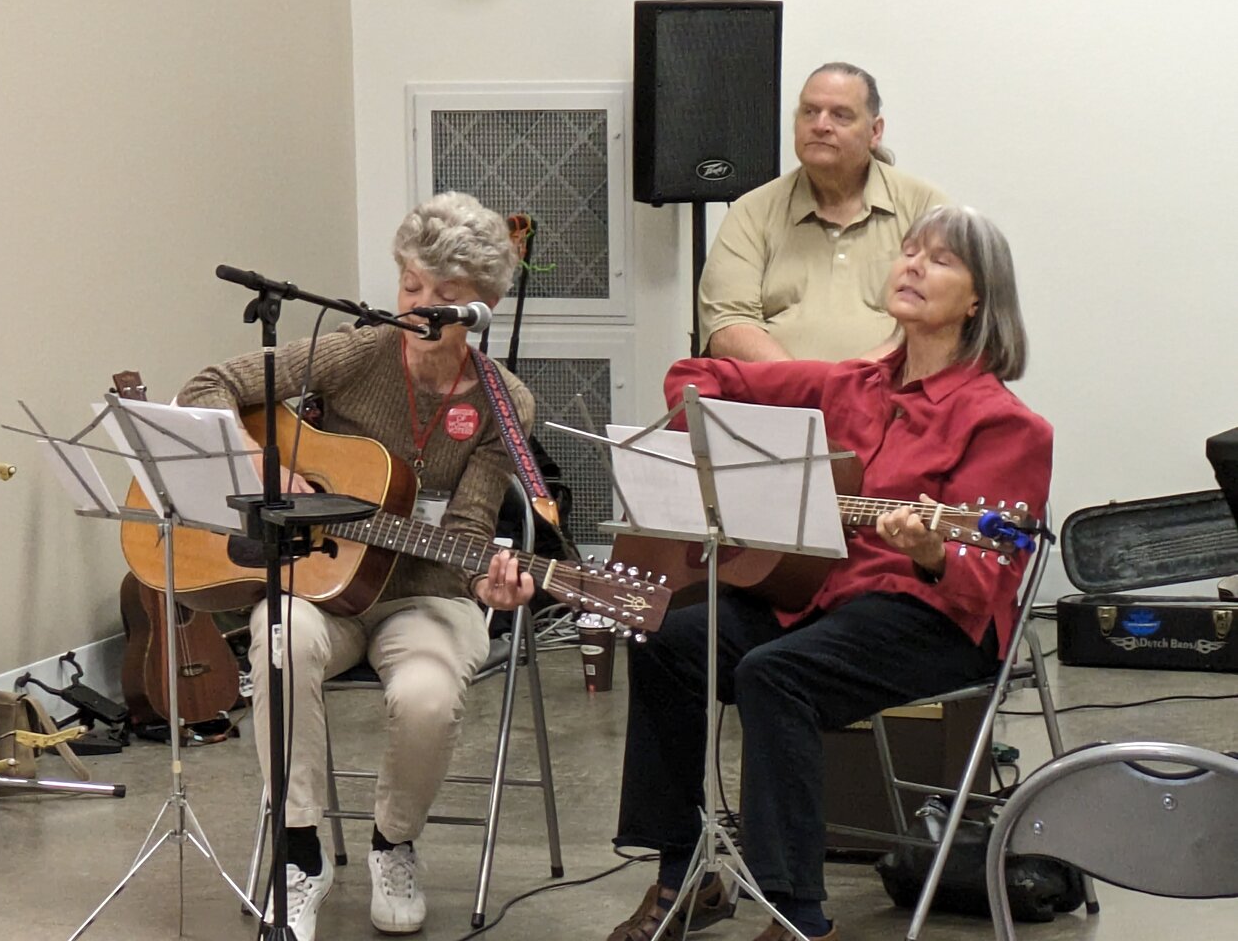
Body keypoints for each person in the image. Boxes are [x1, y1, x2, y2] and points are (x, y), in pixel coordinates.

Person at [609, 206, 1051, 941]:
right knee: (669, 638)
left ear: (978, 299)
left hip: (936, 619)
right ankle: (686, 872)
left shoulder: (1006, 424)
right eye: (909, 251)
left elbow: (986, 581)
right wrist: (724, 446)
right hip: (824, 600)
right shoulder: (849, 384)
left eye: (940, 260)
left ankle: (799, 917)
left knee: (775, 674)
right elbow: (699, 376)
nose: (913, 266)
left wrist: (930, 551)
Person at [177, 192, 536, 940]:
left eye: (443, 295)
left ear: (484, 305)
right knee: (278, 639)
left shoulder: (505, 403)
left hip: (426, 596)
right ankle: (299, 851)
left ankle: (393, 842)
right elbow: (207, 386)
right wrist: (263, 470)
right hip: (319, 584)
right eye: (410, 286)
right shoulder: (358, 350)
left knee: (427, 697)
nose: (418, 308)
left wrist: (490, 582)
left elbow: (469, 530)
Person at [699, 62, 949, 363]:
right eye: (809, 111)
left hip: (892, 389)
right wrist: (805, 384)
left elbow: (945, 318)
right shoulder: (752, 212)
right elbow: (728, 326)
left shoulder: (926, 209)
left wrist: (857, 380)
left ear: (875, 131)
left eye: (840, 115)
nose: (820, 125)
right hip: (776, 391)